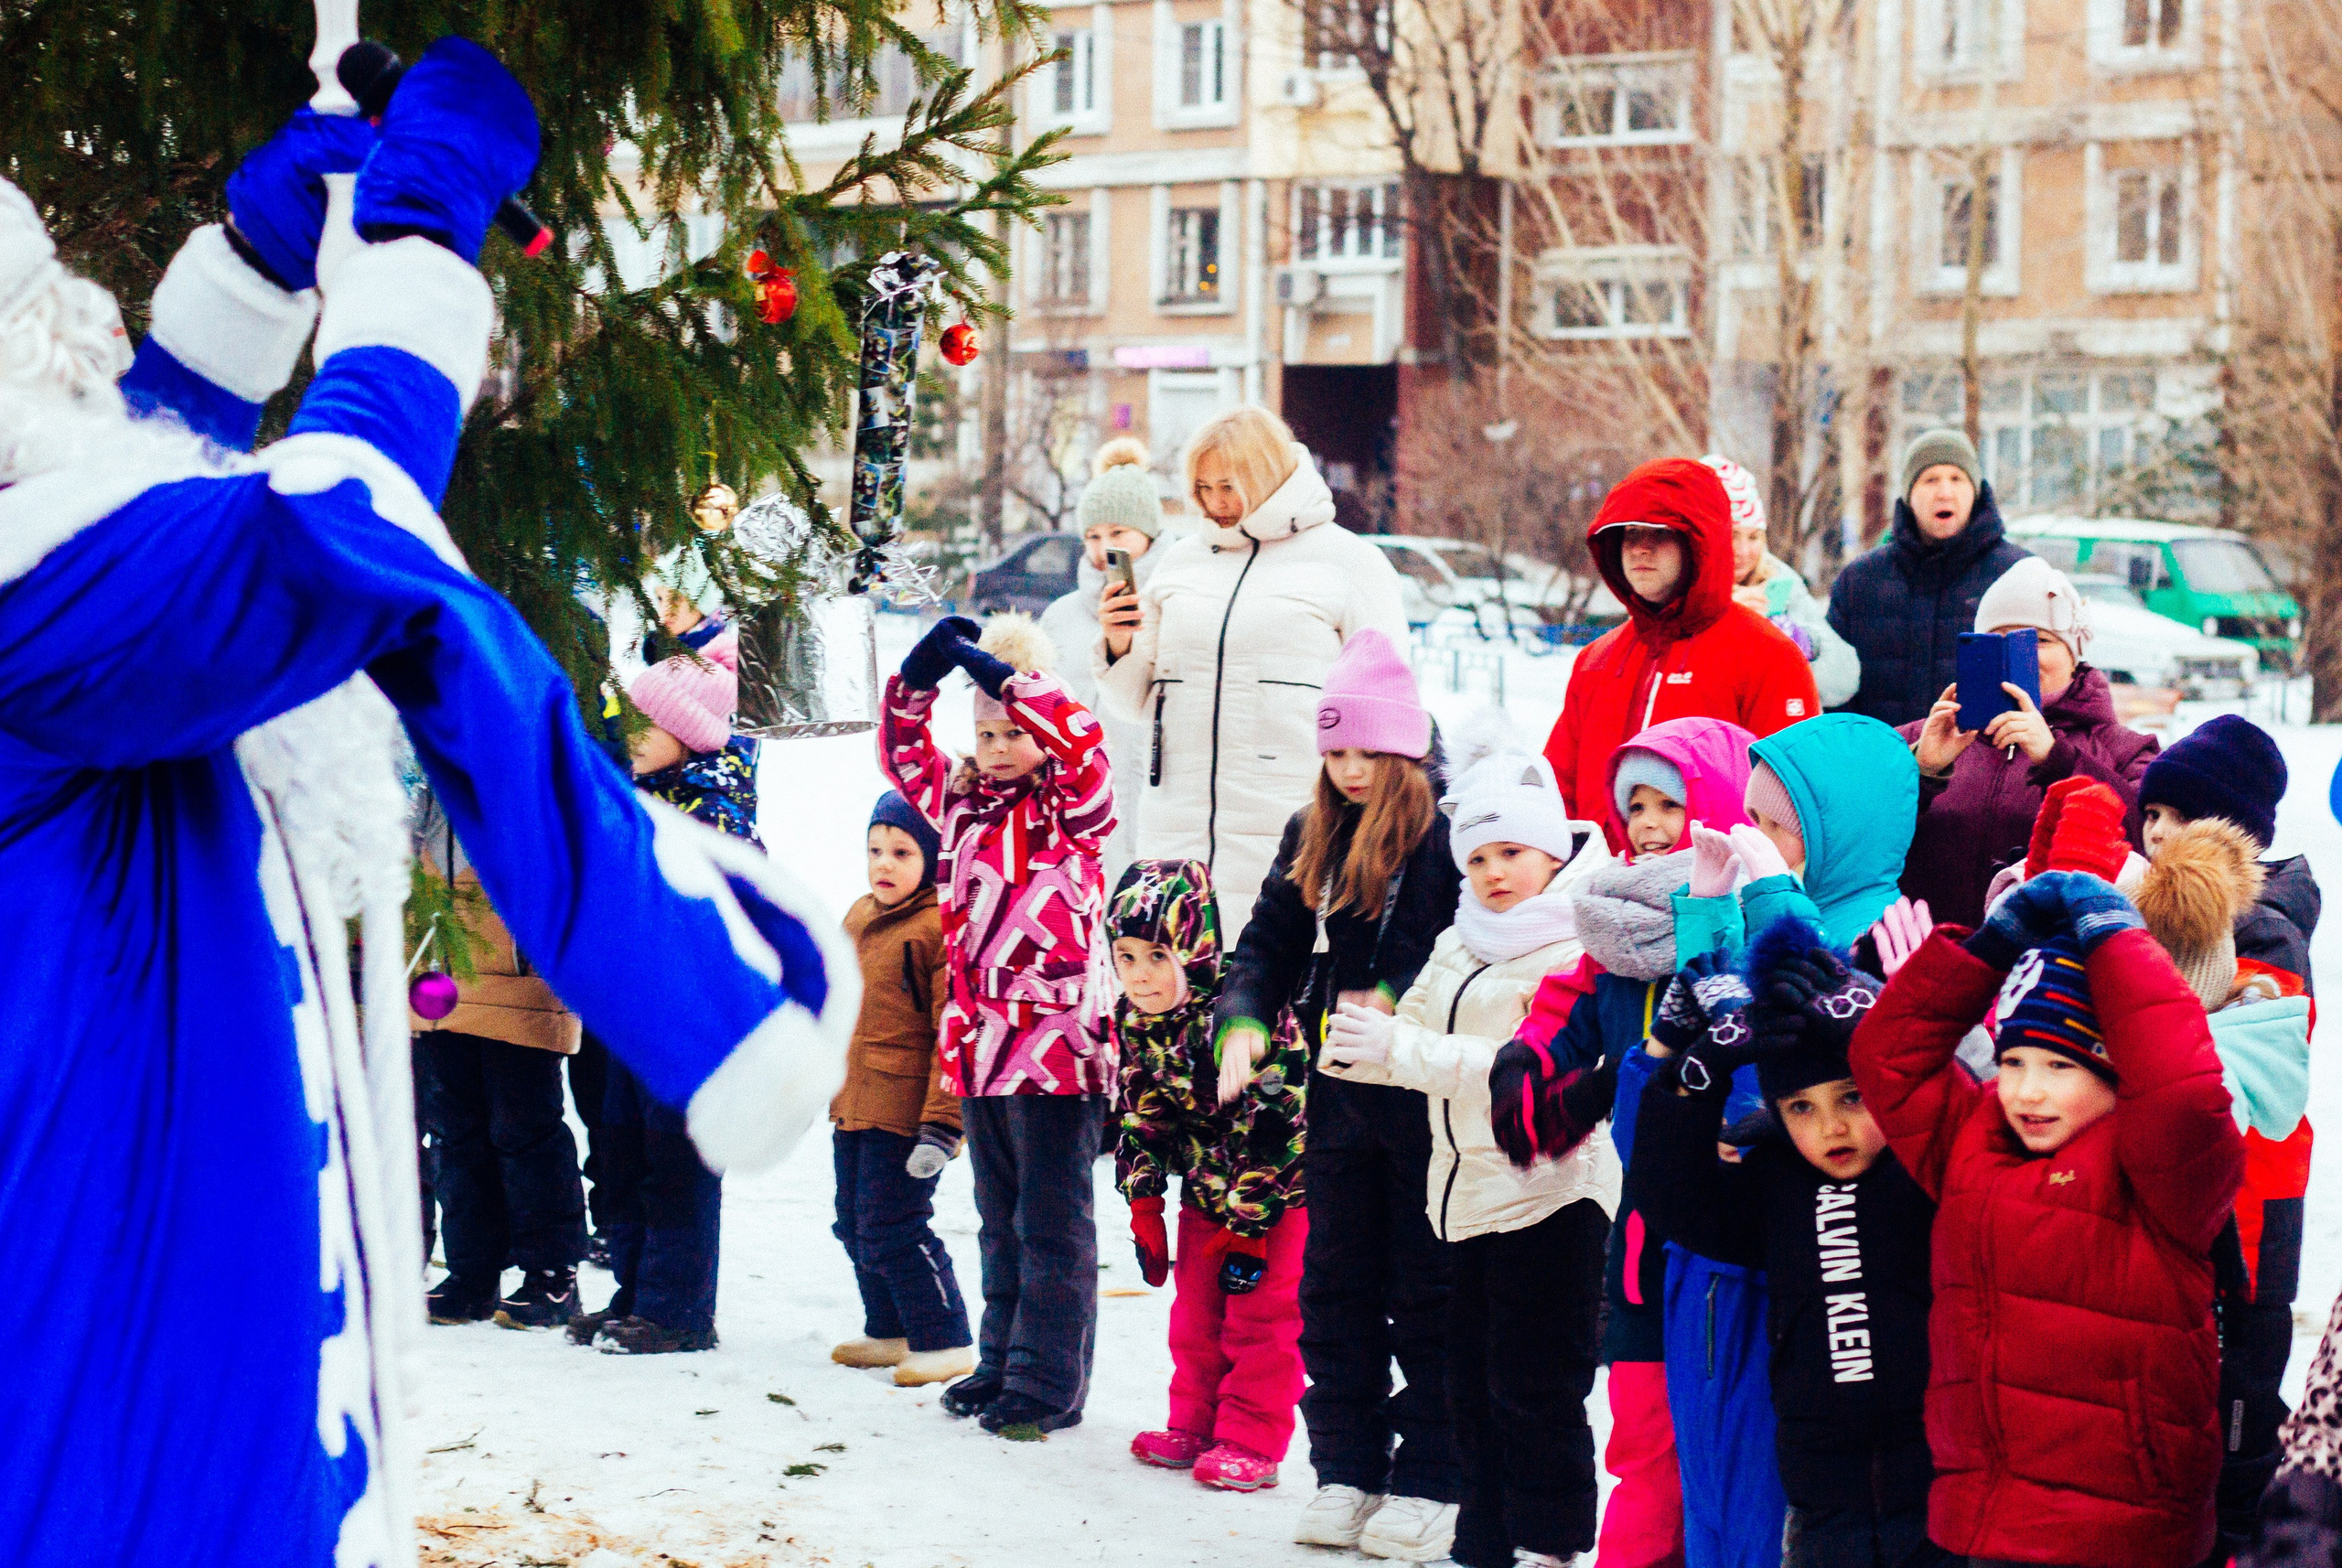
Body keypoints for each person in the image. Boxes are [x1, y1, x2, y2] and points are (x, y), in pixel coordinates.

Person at [0, 48, 856, 1560]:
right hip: (118, 1413)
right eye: (42, 322)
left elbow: (120, 478)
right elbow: (327, 532)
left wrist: (261, 263)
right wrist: (414, 251)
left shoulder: (57, 589)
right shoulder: (45, 612)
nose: (78, 336)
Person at [1852, 872, 2246, 1568]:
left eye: (2061, 1064)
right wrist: (1990, 948)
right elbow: (1887, 1061)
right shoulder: (1972, 1143)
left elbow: (2184, 1094)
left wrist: (2116, 940)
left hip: (2120, 1528)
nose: (2028, 1090)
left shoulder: (2162, 1172)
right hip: (1989, 1517)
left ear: (2116, 1066)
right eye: (2012, 1061)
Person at [1320, 746, 1619, 1568]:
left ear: (1554, 850)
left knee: (1537, 1391)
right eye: (1479, 857)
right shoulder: (1462, 939)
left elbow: (1523, 1067)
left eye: (1512, 853)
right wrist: (1350, 1041)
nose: (1494, 873)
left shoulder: (1575, 943)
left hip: (1551, 1195)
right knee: (1470, 1391)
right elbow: (1406, 1037)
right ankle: (1482, 1545)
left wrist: (1402, 1047)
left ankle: (1550, 1546)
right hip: (1465, 1202)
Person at [1214, 630, 1463, 1562]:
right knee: (1334, 1290)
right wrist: (1241, 1016)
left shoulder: (1443, 837)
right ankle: (1347, 1468)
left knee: (1426, 1289)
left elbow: (1443, 948)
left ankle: (1437, 1472)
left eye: (1367, 751)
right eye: (1335, 752)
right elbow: (1268, 942)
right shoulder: (1309, 830)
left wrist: (1390, 1001)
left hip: (1422, 1099)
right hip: (1337, 1099)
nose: (1350, 770)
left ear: (1403, 751)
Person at [1490, 715, 1757, 1568]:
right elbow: (1549, 1041)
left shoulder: (1750, 921)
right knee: (1643, 1440)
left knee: (1722, 1446)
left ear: (1714, 808)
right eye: (1633, 804)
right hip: (1644, 1235)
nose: (1646, 823)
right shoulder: (1608, 934)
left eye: (1669, 804)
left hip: (1736, 1230)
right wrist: (1543, 1072)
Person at [1664, 713, 1919, 1568]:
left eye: (1778, 827)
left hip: (1843, 1311)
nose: (1754, 844)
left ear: (1841, 827)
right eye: (1749, 819)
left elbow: (1811, 1053)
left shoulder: (1877, 936)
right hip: (1756, 1268)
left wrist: (1778, 908)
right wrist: (1705, 929)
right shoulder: (1761, 906)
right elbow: (1731, 1037)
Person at [1635, 922, 1947, 1568]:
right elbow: (1673, 1202)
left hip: (1940, 1490)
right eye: (1801, 1108)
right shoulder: (1774, 1184)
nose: (1831, 1127)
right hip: (1819, 1498)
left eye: (1852, 1098)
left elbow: (1978, 1131)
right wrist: (1697, 1079)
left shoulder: (1928, 1171)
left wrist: (1887, 1044)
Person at [881, 612, 1117, 1436]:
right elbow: (903, 753)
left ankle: (1048, 1381)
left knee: (1051, 1222)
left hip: (1058, 1048)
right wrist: (916, 682)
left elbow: (1082, 743)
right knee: (998, 1214)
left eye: (1015, 729)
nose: (1001, 743)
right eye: (986, 731)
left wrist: (1010, 675)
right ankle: (1002, 1359)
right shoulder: (959, 806)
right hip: (983, 1045)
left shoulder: (1072, 809)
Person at [1094, 405, 1408, 940]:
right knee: (1175, 1003)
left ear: (1267, 474)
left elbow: (1390, 709)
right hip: (1175, 829)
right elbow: (1133, 703)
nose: (1216, 503)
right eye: (1203, 487)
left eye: (1229, 486)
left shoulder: (1349, 564)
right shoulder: (1181, 565)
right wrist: (1118, 642)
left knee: (1272, 999)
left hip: (1292, 831)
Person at [569, 639, 764, 1354]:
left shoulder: (716, 818)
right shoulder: (637, 798)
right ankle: (633, 1291)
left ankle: (678, 1307)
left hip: (685, 1022)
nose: (629, 739)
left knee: (675, 1159)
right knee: (620, 1152)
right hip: (629, 1011)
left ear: (688, 737)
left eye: (644, 727)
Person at [2133, 821, 2315, 1568]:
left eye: (2176, 814)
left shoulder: (2264, 976)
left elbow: (2255, 1106)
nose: (2155, 829)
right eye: (2150, 812)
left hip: (2250, 1236)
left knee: (2238, 1420)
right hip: (2199, 1252)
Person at [1113, 858, 1309, 1493]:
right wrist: (1145, 1203)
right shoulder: (1138, 1021)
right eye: (1125, 957)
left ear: (1193, 950)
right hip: (1205, 1194)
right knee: (1195, 1315)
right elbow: (1143, 1113)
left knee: (1261, 1321)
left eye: (1156, 956)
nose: (1140, 977)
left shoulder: (1244, 1012)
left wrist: (1252, 1225)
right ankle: (1194, 1423)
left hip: (1276, 1197)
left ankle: (1251, 1437)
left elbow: (1279, 1115)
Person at [1542, 456, 1821, 853]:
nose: (1639, 547)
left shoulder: (1767, 654)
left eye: (1658, 533)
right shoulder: (1596, 659)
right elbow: (1557, 787)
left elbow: (1793, 800)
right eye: (1628, 533)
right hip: (1599, 894)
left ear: (1699, 542)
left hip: (1717, 896)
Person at [1898, 555, 2159, 930]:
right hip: (1928, 956)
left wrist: (2058, 759)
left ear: (2074, 656)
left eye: (2037, 640)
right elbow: (1858, 845)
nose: (2016, 656)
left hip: (2053, 966)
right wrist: (1921, 772)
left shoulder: (2126, 750)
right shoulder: (1916, 738)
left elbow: (2149, 843)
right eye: (1995, 642)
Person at [410, 790, 589, 1331]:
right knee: (456, 1132)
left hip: (517, 981)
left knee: (525, 1128)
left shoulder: (516, 765)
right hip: (441, 985)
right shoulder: (424, 784)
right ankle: (472, 1271)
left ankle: (551, 1275)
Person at [826, 791, 973, 1388]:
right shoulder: (859, 916)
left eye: (902, 851)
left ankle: (945, 1338)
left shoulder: (937, 928)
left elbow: (952, 1031)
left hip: (909, 1116)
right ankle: (890, 1328)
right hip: (855, 1104)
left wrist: (942, 1124)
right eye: (875, 850)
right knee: (852, 1221)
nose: (883, 864)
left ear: (932, 857)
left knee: (894, 1224)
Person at [1827, 430, 2032, 728]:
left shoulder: (2019, 574)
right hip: (1884, 765)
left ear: (1975, 491)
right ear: (1909, 494)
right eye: (1930, 479)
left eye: (1957, 478)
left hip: (1983, 767)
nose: (1944, 492)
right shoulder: (1859, 581)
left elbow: (2047, 685)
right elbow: (1834, 691)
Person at [1040, 436, 1166, 887]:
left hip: (1153, 802)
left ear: (1150, 534)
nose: (1103, 549)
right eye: (1093, 535)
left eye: (1118, 533)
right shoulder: (1062, 616)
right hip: (1076, 809)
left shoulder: (1173, 602)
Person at [2141, 713, 2320, 990]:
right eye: (2153, 814)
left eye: (2184, 817)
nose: (2157, 831)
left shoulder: (2266, 933)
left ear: (2238, 837)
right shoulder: (2134, 899)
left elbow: (2246, 1031)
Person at [1708, 455, 1861, 710]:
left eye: (1754, 537)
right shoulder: (1677, 586)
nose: (1744, 551)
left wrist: (1799, 646)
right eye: (1732, 535)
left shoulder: (1779, 581)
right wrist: (1723, 616)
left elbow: (1845, 677)